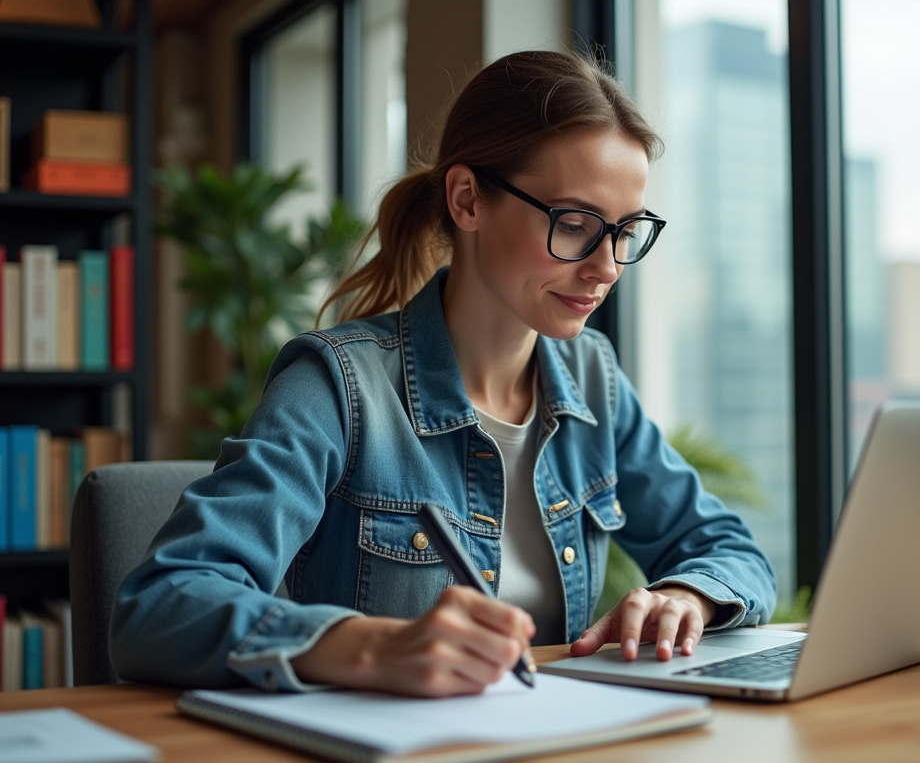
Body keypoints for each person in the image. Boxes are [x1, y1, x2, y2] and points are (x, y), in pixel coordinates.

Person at [112, 50, 776, 697]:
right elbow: (160, 604)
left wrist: (688, 594)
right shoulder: (336, 388)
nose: (606, 266)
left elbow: (731, 551)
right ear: (467, 200)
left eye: (626, 230)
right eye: (575, 224)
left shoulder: (592, 376)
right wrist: (370, 645)